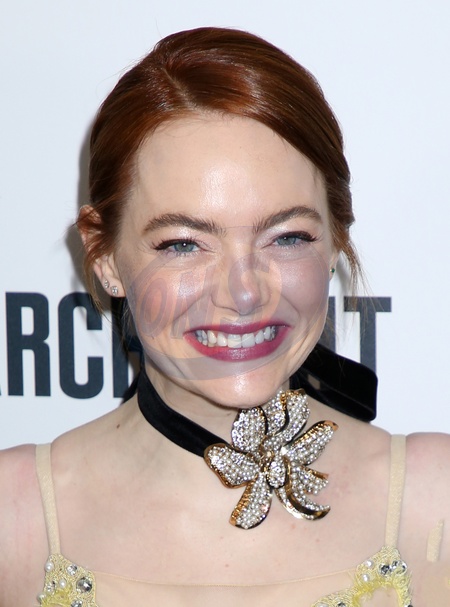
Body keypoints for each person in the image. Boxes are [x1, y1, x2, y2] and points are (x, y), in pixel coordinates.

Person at [0, 26, 449, 607]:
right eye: (183, 244)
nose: (244, 293)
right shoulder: (17, 519)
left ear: (336, 239)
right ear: (104, 254)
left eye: (287, 237)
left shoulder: (431, 504)